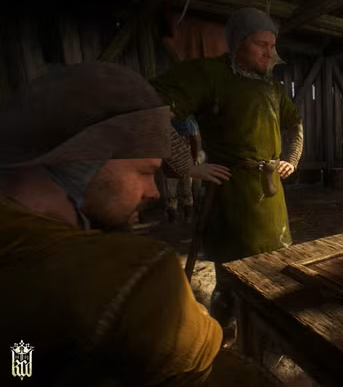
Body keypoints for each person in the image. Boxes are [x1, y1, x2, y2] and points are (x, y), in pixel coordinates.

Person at [0, 63, 222, 386]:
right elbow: (204, 361)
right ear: (83, 162)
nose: (153, 191)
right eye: (145, 172)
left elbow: (21, 364)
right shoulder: (135, 275)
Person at [150, 7, 304, 333]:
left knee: (275, 267)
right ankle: (222, 334)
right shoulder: (209, 74)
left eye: (272, 45)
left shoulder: (272, 87)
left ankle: (266, 331)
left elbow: (295, 123)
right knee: (232, 275)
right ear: (238, 42)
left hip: (271, 194)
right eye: (261, 44)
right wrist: (187, 165)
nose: (269, 53)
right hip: (230, 195)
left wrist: (291, 157)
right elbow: (152, 106)